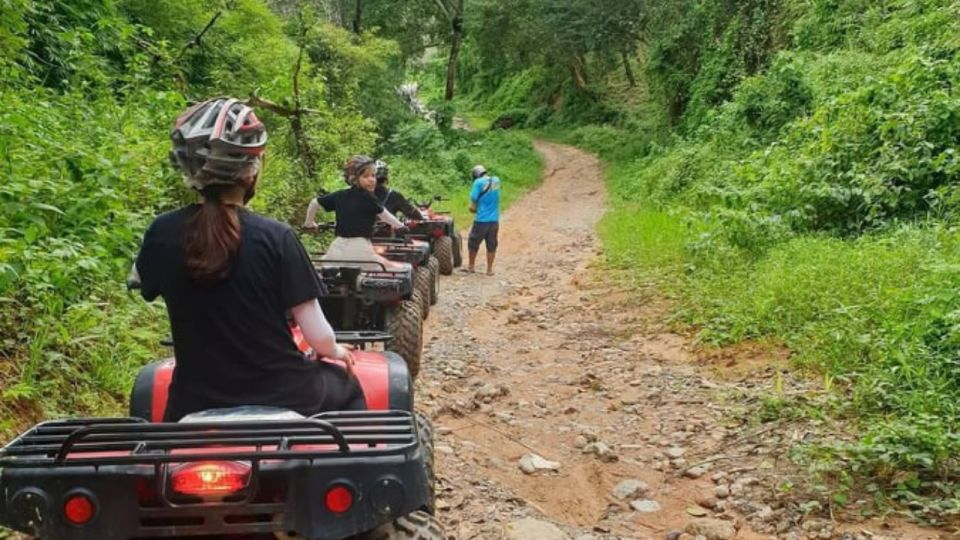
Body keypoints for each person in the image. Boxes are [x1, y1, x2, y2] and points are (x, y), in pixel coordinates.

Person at [133, 97, 365, 422]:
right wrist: (336, 352)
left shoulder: (161, 232)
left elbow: (141, 280)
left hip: (192, 402)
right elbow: (317, 334)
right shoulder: (276, 237)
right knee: (349, 386)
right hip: (288, 395)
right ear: (251, 169)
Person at [302, 155, 406, 265]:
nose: (371, 180)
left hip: (337, 249)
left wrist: (309, 223)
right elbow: (385, 215)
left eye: (373, 176)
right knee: (397, 268)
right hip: (360, 250)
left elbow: (314, 202)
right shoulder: (369, 198)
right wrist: (400, 226)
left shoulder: (340, 195)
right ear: (354, 179)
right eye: (366, 176)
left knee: (323, 265)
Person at [466, 164, 501, 275]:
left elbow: (474, 199)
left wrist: (473, 208)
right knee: (491, 244)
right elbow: (496, 196)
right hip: (494, 220)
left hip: (481, 220)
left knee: (473, 242)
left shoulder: (478, 183)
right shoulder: (496, 180)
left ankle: (471, 266)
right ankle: (489, 270)